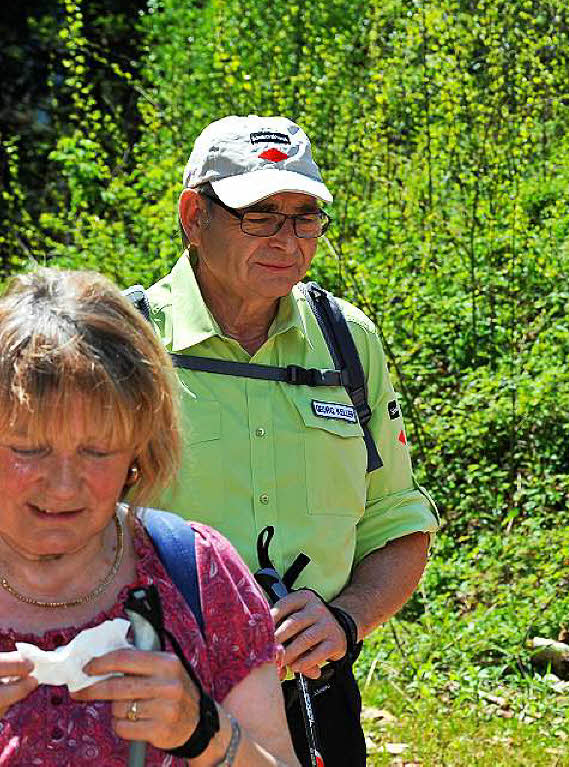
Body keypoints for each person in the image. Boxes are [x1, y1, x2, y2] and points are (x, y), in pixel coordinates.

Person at [141, 115, 438, 764]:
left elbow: (399, 523)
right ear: (195, 216)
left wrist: (346, 617)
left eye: (305, 216)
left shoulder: (348, 341)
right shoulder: (127, 344)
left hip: (315, 704)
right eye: (261, 214)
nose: (288, 239)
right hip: (156, 708)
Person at [0, 268, 298, 766]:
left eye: (97, 451)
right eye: (29, 449)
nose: (63, 483)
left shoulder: (197, 572)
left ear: (139, 451)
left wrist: (205, 733)